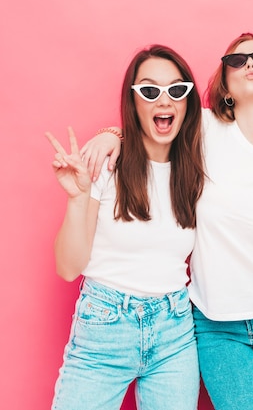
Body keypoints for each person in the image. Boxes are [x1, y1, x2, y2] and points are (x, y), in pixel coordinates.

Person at [79, 33, 253, 410]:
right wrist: (112, 135)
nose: (249, 64)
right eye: (237, 61)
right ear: (225, 82)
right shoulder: (201, 129)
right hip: (216, 321)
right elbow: (150, 129)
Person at [46, 44, 204, 410]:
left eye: (176, 90)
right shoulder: (104, 165)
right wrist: (77, 198)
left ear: (187, 102)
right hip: (105, 324)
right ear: (133, 101)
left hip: (175, 330)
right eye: (149, 91)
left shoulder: (197, 166)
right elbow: (68, 268)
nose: (164, 100)